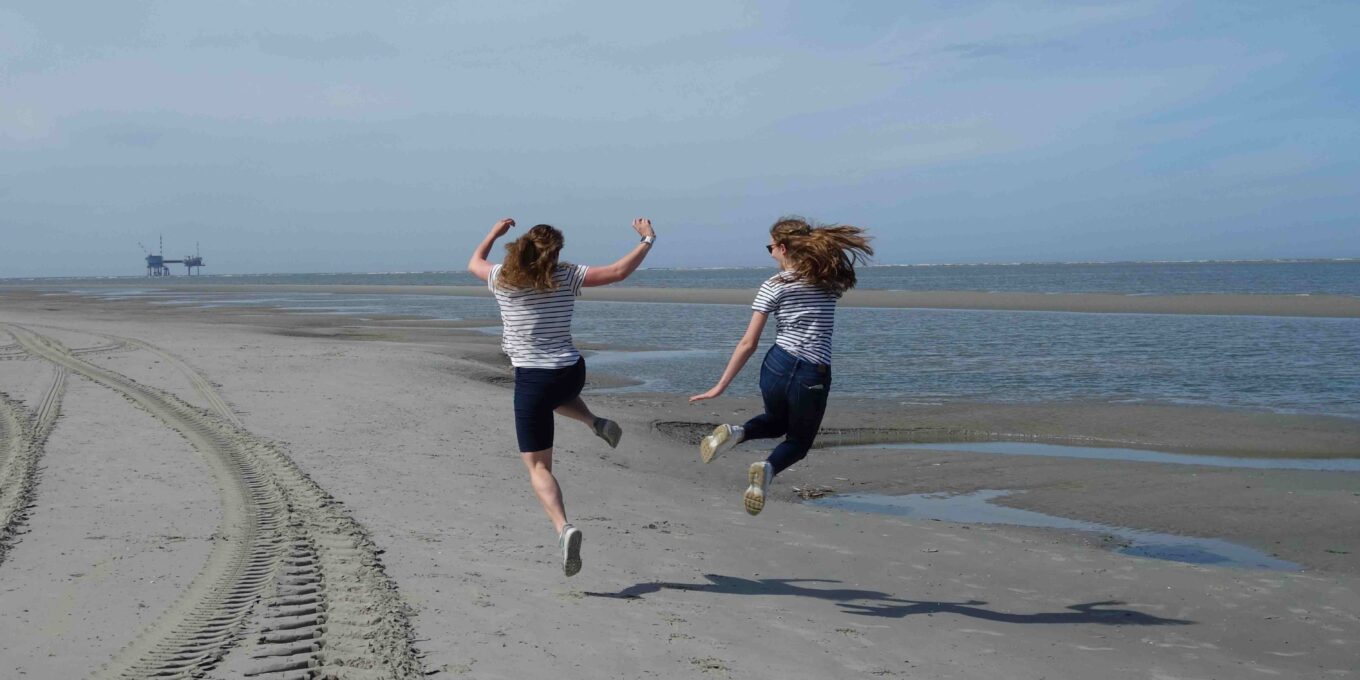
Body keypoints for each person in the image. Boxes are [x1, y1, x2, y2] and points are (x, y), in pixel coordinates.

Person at [468, 217, 657, 576]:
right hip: (572, 372)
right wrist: (647, 240)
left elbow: (474, 262)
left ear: (520, 248)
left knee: (538, 466)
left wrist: (493, 232)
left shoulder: (501, 279)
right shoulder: (566, 277)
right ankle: (593, 420)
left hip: (532, 379)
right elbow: (618, 271)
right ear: (555, 253)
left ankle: (563, 528)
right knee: (556, 397)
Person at [689, 216, 872, 515]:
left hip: (777, 363)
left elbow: (748, 343)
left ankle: (737, 433)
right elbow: (839, 272)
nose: (770, 252)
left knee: (775, 422)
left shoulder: (773, 286)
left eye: (770, 247)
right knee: (798, 443)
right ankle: (766, 469)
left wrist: (720, 386)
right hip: (813, 372)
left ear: (784, 247)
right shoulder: (829, 282)